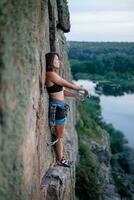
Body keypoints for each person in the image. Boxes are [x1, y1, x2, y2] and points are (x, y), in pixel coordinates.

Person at [45, 52, 89, 167]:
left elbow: (61, 91)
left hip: (60, 107)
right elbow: (67, 84)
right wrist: (81, 88)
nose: (59, 61)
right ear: (50, 62)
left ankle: (61, 157)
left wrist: (75, 95)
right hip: (57, 108)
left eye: (59, 59)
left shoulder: (54, 75)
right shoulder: (50, 74)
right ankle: (61, 159)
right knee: (59, 135)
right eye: (56, 59)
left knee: (60, 134)